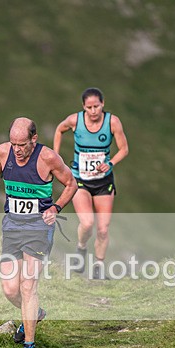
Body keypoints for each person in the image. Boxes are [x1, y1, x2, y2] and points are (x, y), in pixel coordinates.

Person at [0, 117, 76, 348]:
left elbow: (71, 183)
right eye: (14, 144)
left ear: (34, 139)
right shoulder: (2, 152)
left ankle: (30, 346)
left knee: (28, 286)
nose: (17, 150)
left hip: (38, 229)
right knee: (10, 288)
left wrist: (56, 208)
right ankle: (34, 313)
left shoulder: (48, 158)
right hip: (12, 227)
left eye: (22, 144)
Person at [53, 87, 129, 279]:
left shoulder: (112, 122)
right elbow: (59, 130)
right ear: (83, 107)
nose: (93, 111)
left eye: (96, 106)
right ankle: (81, 248)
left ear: (103, 104)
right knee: (87, 223)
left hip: (103, 183)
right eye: (89, 107)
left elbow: (124, 149)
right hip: (80, 181)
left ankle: (98, 269)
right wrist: (56, 157)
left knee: (103, 229)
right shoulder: (75, 120)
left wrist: (110, 163)